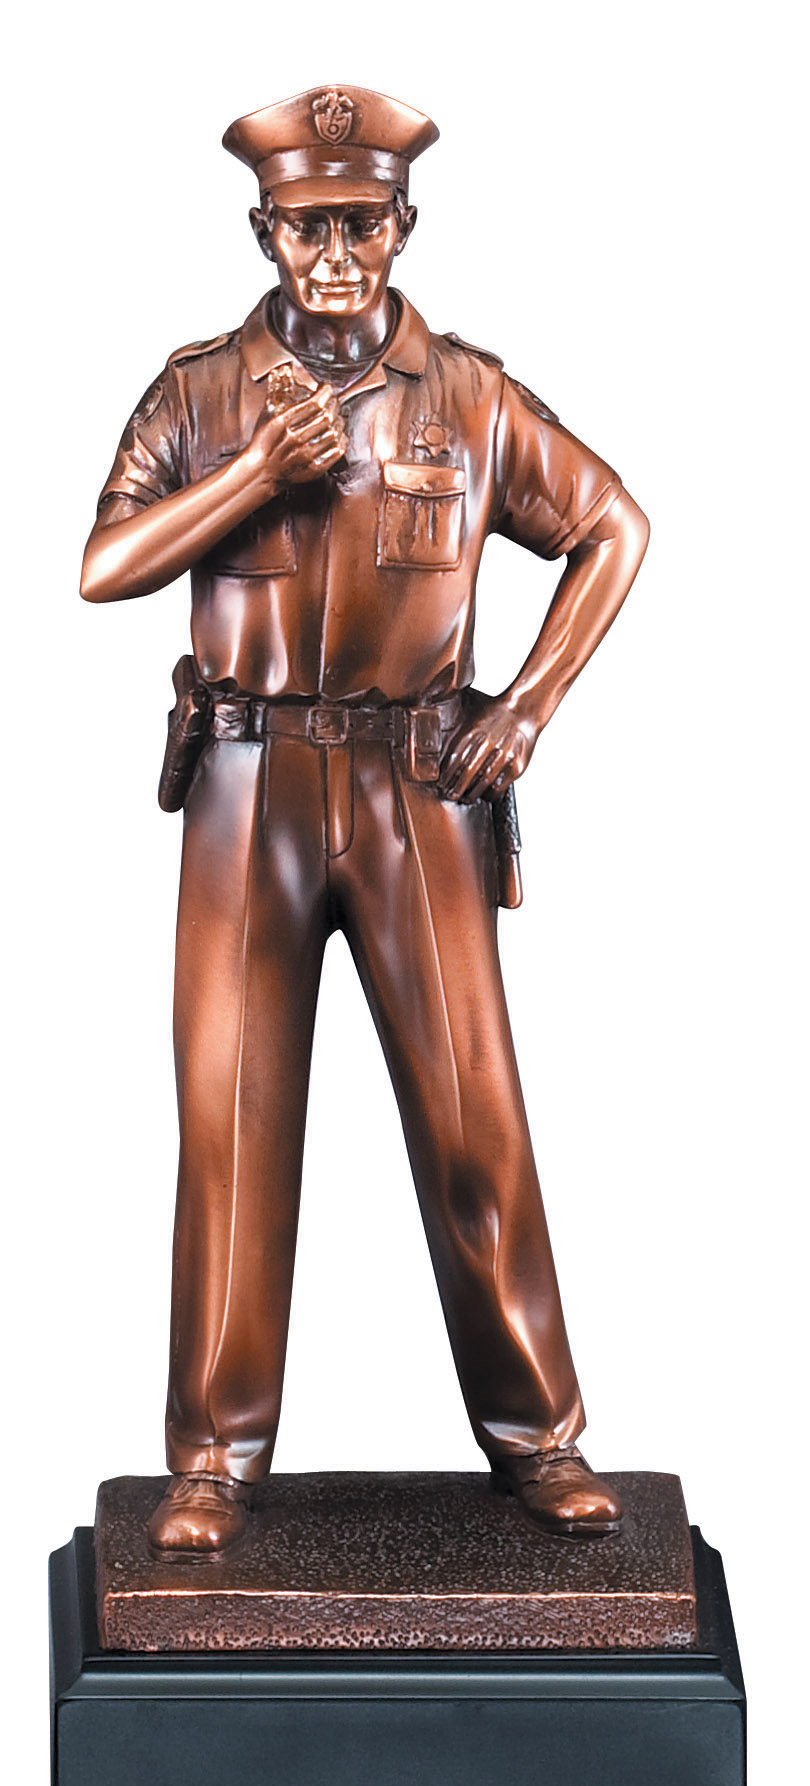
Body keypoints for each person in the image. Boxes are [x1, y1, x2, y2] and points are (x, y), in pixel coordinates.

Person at [81, 85, 649, 1555]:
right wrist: (251, 478)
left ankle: (539, 1438)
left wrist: (527, 706)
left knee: (474, 1119)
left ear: (403, 226)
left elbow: (612, 525)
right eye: (305, 226)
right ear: (262, 232)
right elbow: (103, 565)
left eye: (359, 223)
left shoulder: (465, 394)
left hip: (418, 790)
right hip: (245, 789)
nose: (333, 254)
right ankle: (213, 1459)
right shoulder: (201, 393)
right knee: (231, 1120)